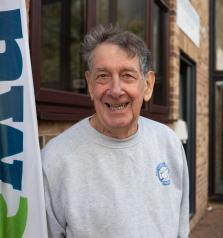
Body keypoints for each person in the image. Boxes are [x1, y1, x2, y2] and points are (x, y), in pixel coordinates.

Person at [41, 24, 189, 238]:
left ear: (147, 85)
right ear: (90, 85)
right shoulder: (55, 161)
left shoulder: (169, 143)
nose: (116, 90)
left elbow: (180, 228)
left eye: (127, 75)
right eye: (103, 76)